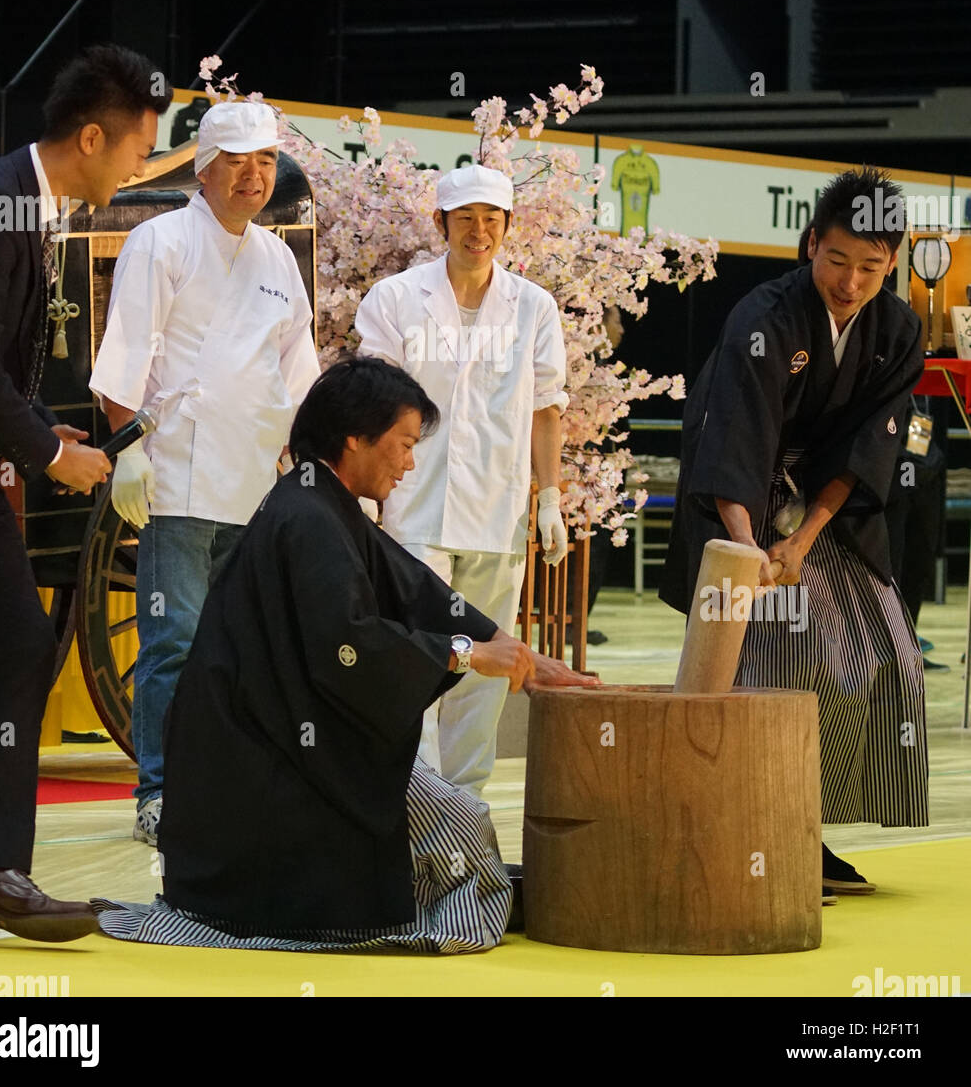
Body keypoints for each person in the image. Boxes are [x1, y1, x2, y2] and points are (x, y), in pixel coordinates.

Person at [92, 357, 598, 953]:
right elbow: (348, 648)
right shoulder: (307, 514)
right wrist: (464, 652)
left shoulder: (317, 500)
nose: (411, 463)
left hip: (282, 741)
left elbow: (411, 587)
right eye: (405, 444)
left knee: (451, 828)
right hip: (261, 768)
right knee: (459, 824)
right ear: (356, 436)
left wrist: (518, 655)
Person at [0, 43, 171, 941]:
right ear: (90, 137)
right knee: (15, 647)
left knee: (20, 648)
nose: (140, 168)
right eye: (136, 151)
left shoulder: (24, 202)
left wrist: (43, 426)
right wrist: (45, 452)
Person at [660, 169, 927, 896]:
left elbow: (871, 447)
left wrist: (804, 539)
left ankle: (804, 828)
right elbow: (733, 438)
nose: (849, 282)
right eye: (836, 260)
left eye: (870, 268)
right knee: (771, 658)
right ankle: (743, 829)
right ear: (809, 244)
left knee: (881, 662)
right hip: (739, 501)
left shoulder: (898, 329)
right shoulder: (763, 317)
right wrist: (746, 551)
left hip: (823, 510)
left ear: (891, 264)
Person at [89, 101, 320, 846]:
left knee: (239, 646)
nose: (253, 176)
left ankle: (225, 786)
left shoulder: (276, 256)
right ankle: (159, 792)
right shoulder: (160, 241)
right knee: (174, 642)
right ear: (202, 167)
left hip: (254, 475)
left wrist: (307, 460)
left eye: (263, 162)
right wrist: (125, 447)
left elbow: (299, 370)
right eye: (236, 161)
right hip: (179, 473)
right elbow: (124, 349)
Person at [355, 165, 569, 805]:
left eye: (492, 219)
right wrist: (371, 495)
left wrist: (551, 496)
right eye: (466, 219)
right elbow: (373, 403)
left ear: (508, 226)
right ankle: (413, 799)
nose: (480, 232)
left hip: (498, 510)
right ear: (440, 224)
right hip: (415, 505)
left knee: (489, 661)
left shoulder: (533, 305)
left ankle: (467, 804)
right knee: (419, 653)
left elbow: (547, 408)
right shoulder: (394, 299)